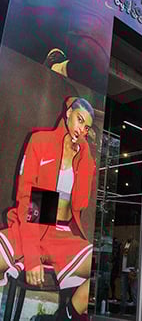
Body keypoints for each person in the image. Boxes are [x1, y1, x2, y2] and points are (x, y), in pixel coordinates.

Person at [0, 97, 96, 320]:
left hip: (61, 232)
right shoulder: (40, 141)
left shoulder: (83, 155)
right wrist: (32, 259)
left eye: (86, 127)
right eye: (79, 120)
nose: (81, 129)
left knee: (98, 269)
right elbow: (27, 200)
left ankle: (64, 315)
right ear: (68, 113)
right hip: (31, 222)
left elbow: (80, 203)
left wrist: (81, 158)